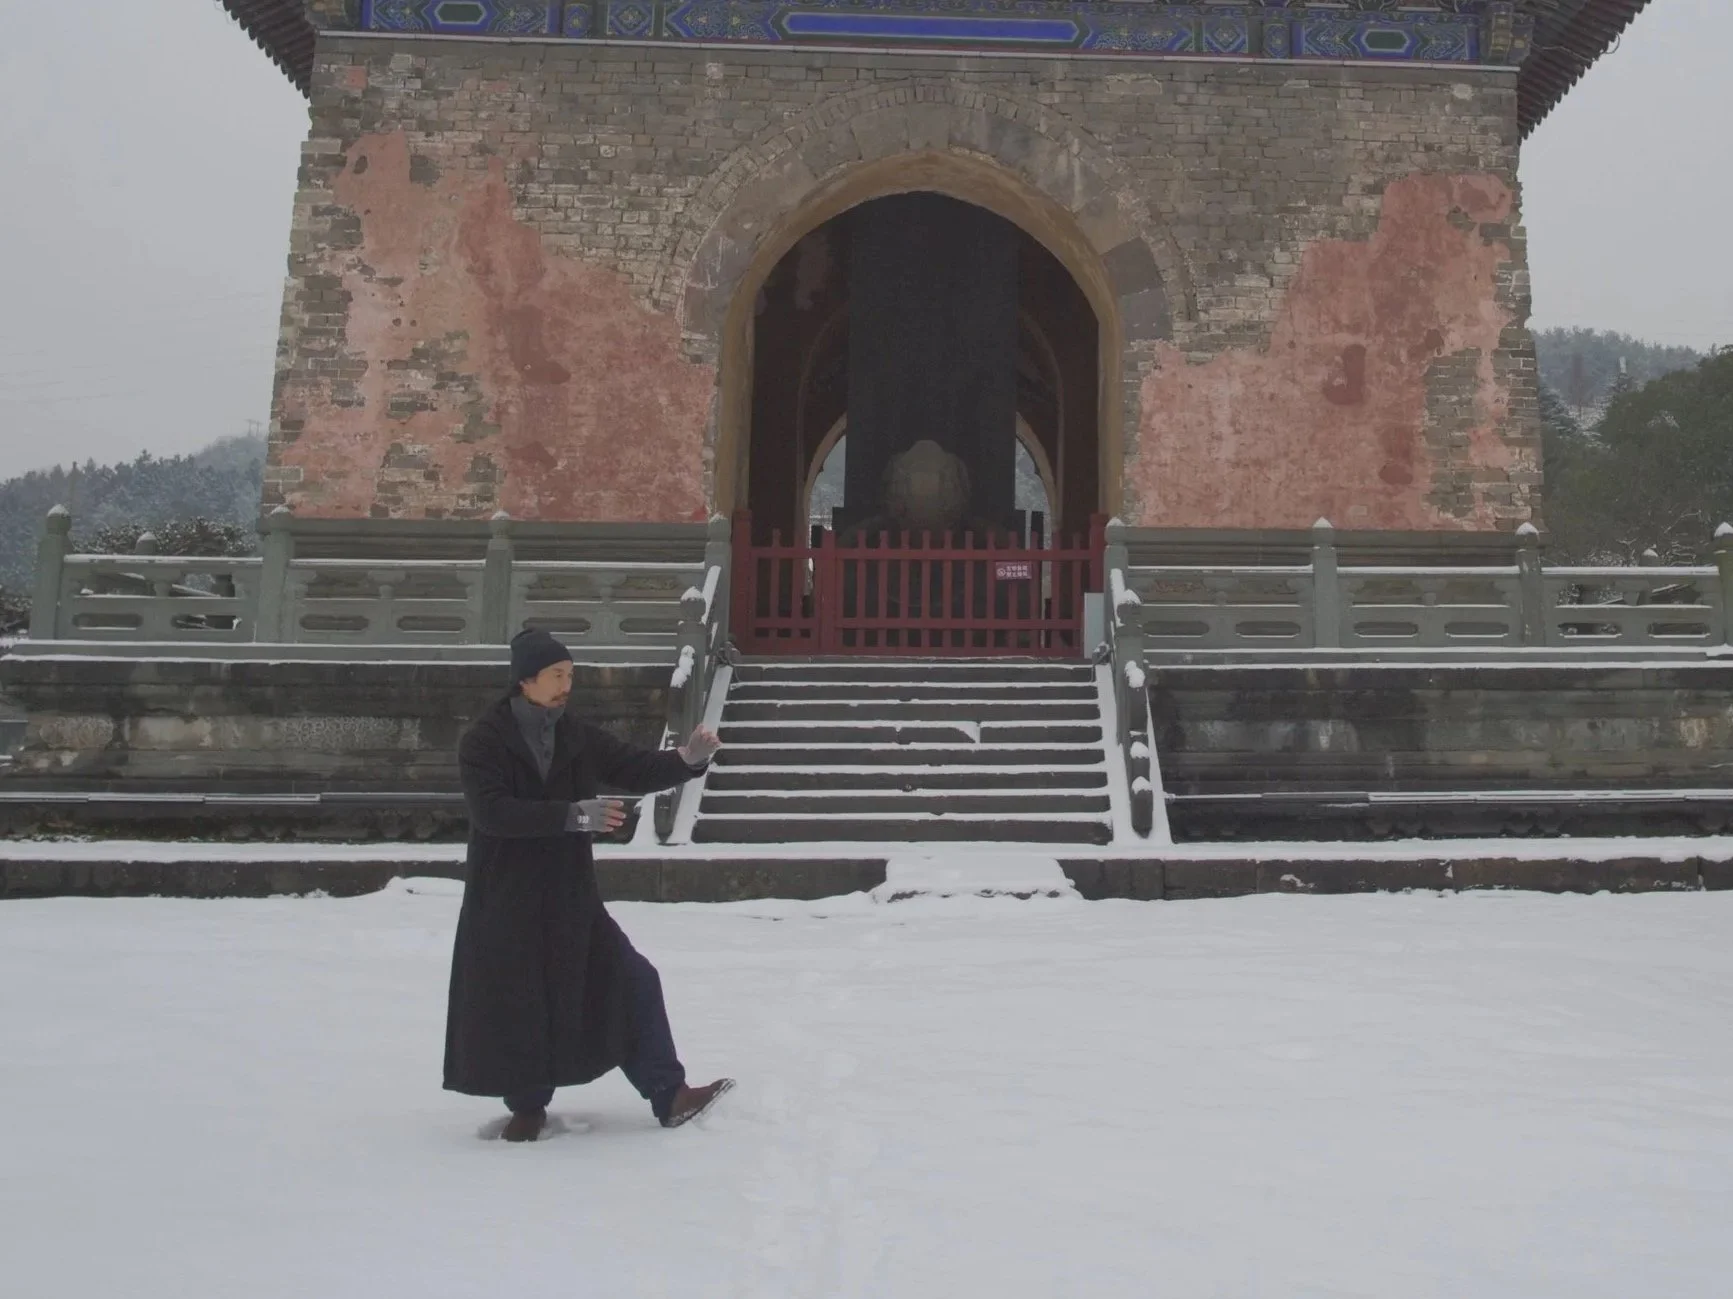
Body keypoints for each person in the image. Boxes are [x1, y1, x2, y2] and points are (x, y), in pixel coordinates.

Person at [444, 627, 731, 1142]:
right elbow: (493, 814)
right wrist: (575, 817)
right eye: (557, 675)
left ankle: (670, 1094)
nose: (565, 685)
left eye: (570, 675)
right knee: (521, 998)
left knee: (633, 979)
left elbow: (630, 764)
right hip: (506, 897)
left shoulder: (573, 734)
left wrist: (686, 761)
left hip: (569, 897)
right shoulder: (484, 740)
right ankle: (527, 1105)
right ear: (525, 681)